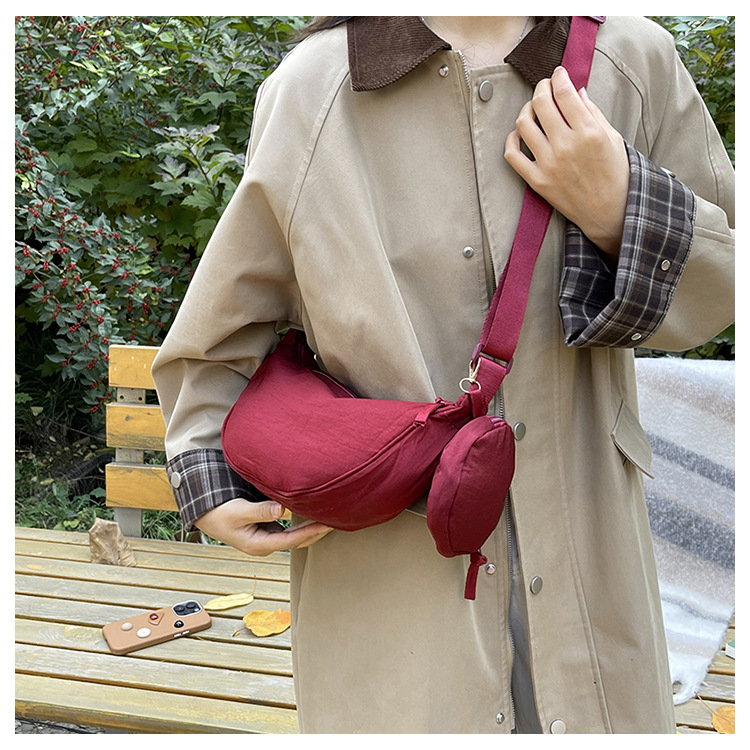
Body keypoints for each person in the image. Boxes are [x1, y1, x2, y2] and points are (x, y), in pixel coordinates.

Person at [151, 16, 734, 734]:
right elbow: (221, 330)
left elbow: (724, 283)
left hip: (593, 558)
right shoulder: (313, 89)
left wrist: (621, 207)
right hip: (391, 577)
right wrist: (209, 480)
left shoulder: (631, 61)